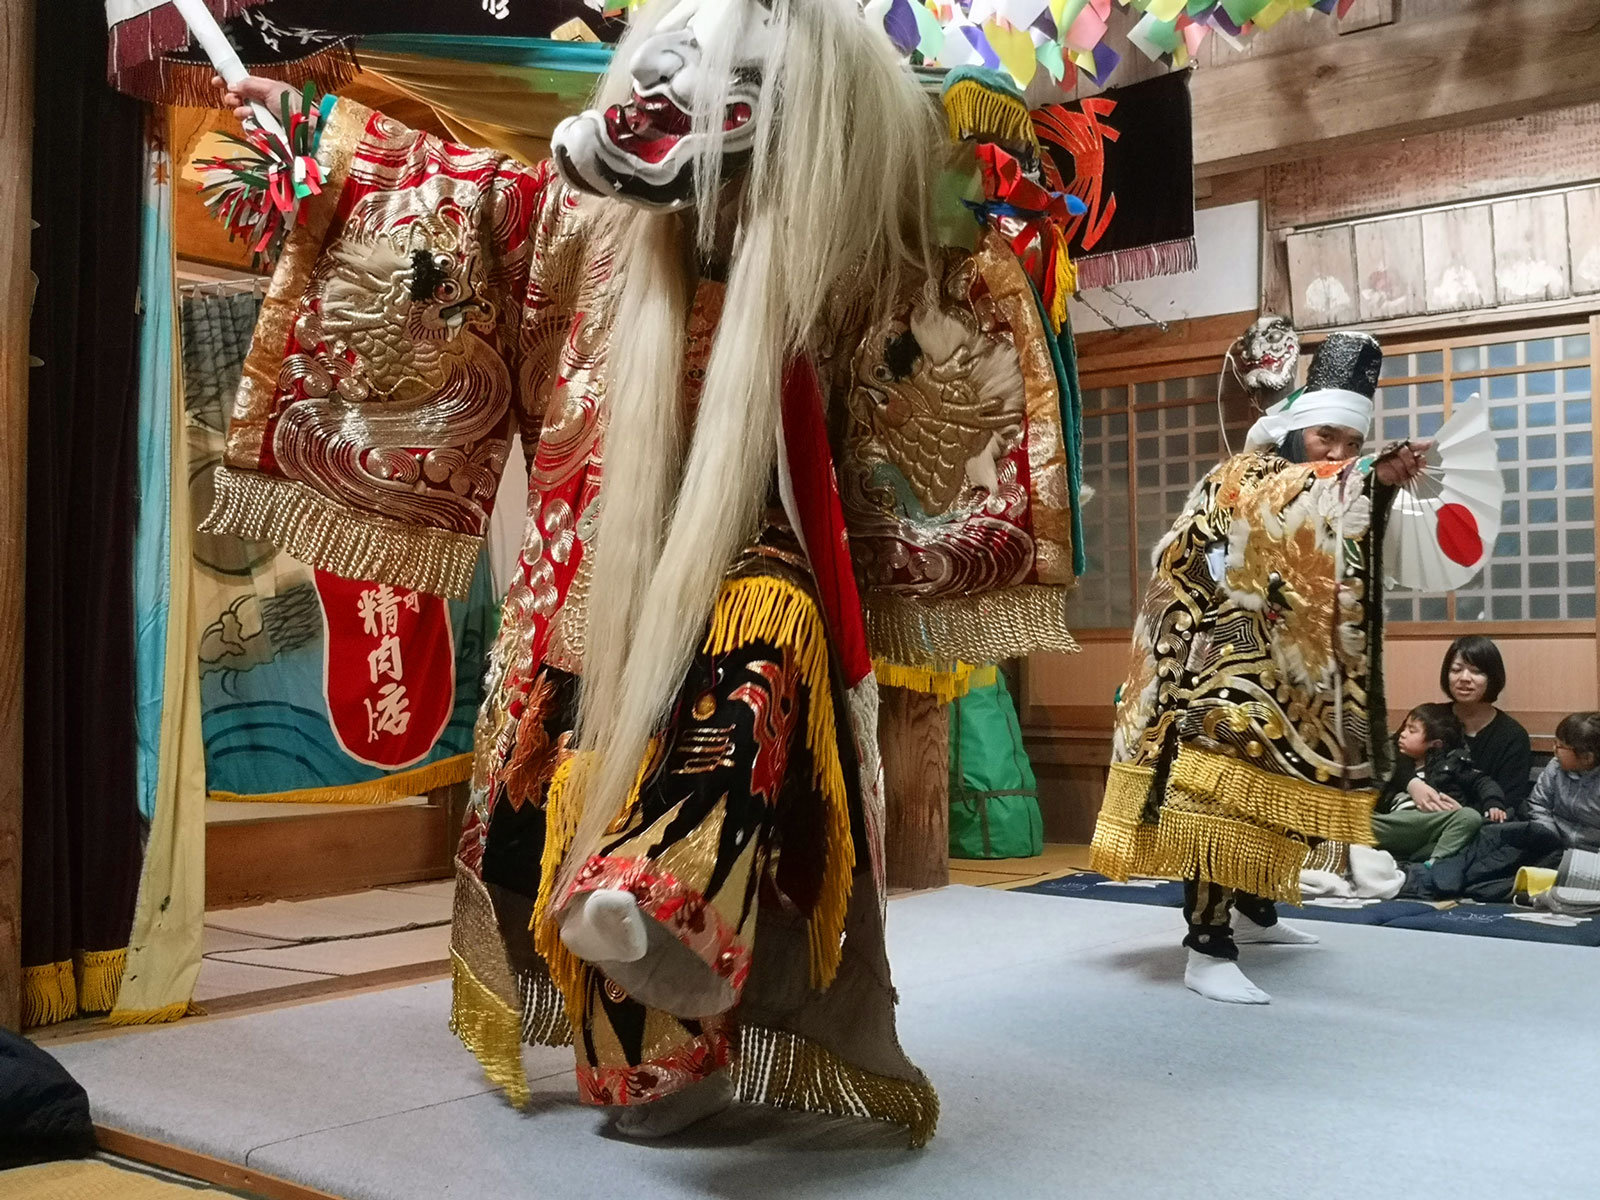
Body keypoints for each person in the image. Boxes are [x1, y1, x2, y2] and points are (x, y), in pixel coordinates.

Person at [210, 0, 1083, 1145]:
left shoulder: (842, 169)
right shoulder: (561, 162)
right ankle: (644, 1051)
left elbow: (931, 277)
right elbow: (446, 221)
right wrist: (332, 135)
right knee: (583, 768)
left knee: (749, 688)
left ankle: (660, 908)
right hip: (590, 549)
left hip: (765, 530)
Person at [1094, 328, 1429, 1005]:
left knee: (1283, 794)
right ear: (1301, 428)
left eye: (1351, 444)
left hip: (1288, 662)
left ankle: (1255, 911)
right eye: (1327, 438)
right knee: (1221, 794)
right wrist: (1365, 475)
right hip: (1214, 658)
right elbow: (1267, 521)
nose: (1337, 453)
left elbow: (1341, 546)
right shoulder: (1244, 475)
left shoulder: (1328, 480)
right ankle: (1206, 941)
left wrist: (1381, 490)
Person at [1374, 703, 1504, 865]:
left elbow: (1482, 781)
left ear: (1435, 744)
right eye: (1404, 728)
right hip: (1395, 824)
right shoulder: (1392, 764)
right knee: (1348, 816)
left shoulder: (1451, 763)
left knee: (1469, 817)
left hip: (1432, 824)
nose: (1402, 734)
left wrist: (1493, 802)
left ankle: (1434, 860)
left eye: (1411, 730)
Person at [1438, 635, 1533, 815]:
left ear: (1492, 677)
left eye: (1476, 671)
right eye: (1456, 670)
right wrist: (1414, 785)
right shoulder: (1429, 718)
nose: (1464, 678)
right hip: (1423, 817)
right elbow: (1395, 762)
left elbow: (1510, 798)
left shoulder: (1513, 736)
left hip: (1484, 826)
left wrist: (1463, 815)